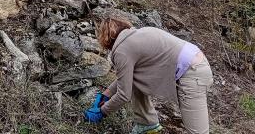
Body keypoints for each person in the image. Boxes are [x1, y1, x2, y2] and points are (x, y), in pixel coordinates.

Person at [84, 17, 213, 134]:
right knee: (135, 77)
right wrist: (106, 95)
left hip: (193, 74)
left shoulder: (122, 50)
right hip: (197, 64)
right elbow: (125, 78)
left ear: (107, 39)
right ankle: (146, 123)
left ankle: (147, 123)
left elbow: (124, 95)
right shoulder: (139, 35)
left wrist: (102, 112)